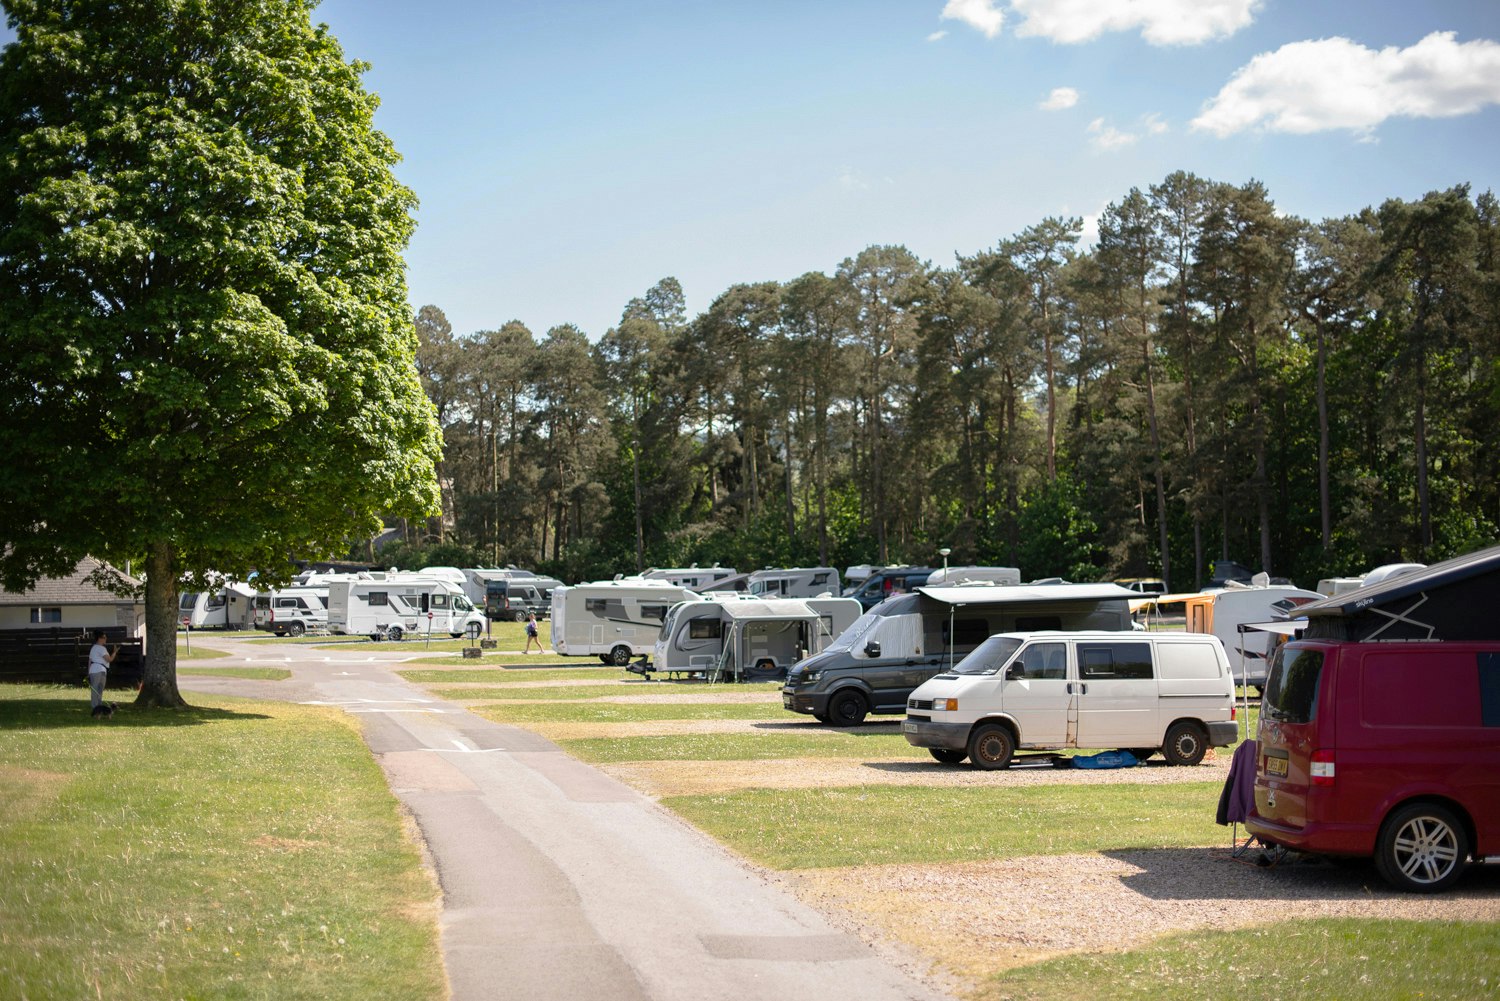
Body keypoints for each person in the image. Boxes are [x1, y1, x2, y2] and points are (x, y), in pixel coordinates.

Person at [88, 630, 118, 718]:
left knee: (96, 690)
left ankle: (98, 709)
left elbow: (89, 661)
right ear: (99, 638)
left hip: (95, 670)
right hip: (99, 670)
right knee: (98, 690)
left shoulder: (93, 648)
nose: (106, 639)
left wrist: (89, 672)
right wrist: (115, 652)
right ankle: (96, 709)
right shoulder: (101, 648)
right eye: (104, 637)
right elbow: (109, 659)